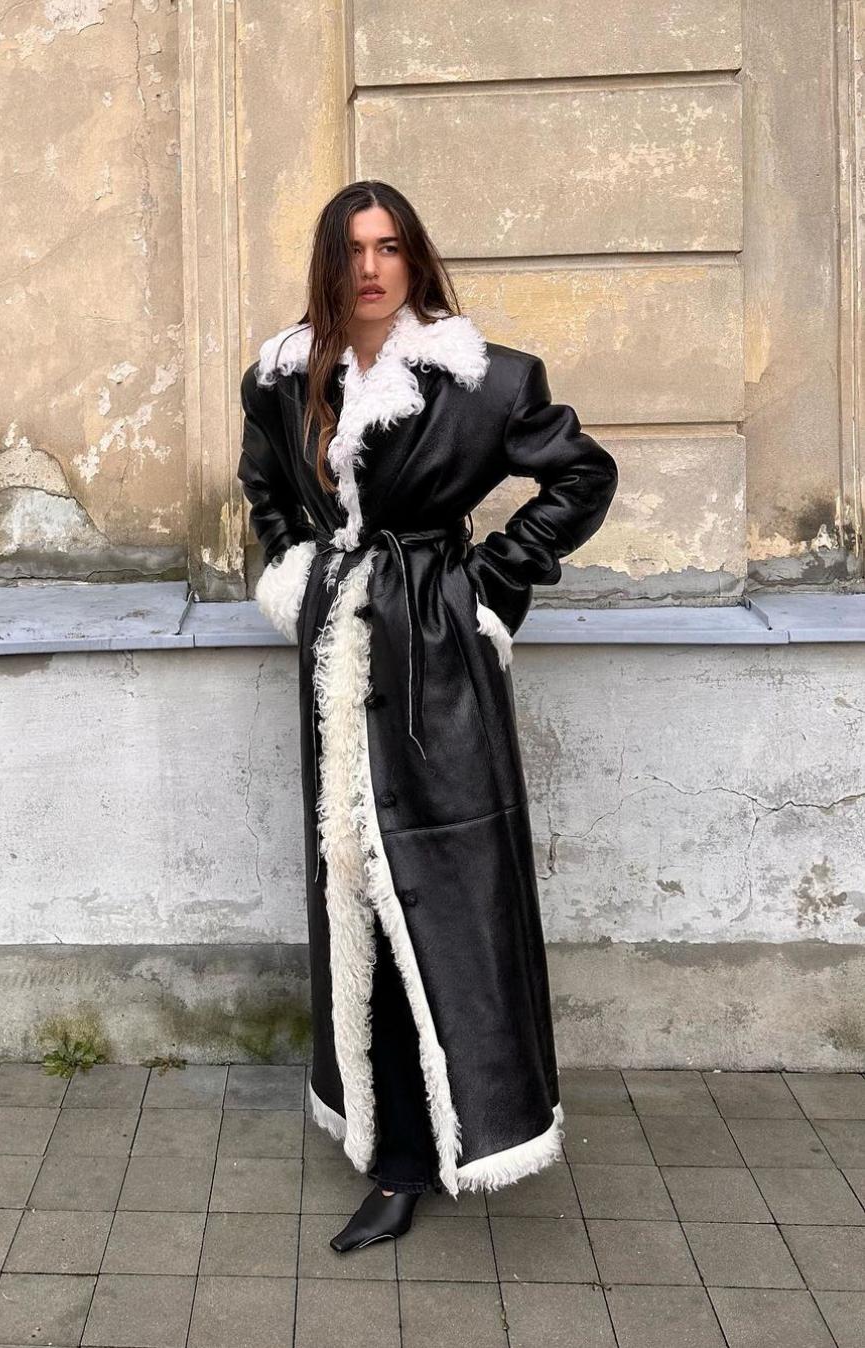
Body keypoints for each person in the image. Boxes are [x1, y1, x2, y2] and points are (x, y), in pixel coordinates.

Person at [237, 180, 619, 1253]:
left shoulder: (483, 377)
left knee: (445, 894)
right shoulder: (284, 379)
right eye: (353, 249)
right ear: (330, 262)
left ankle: (466, 1129)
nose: (371, 268)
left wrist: (486, 585)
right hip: (337, 659)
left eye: (390, 247)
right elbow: (266, 492)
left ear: (413, 260)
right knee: (357, 889)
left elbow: (581, 476)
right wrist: (296, 575)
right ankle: (398, 1148)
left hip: (438, 666)